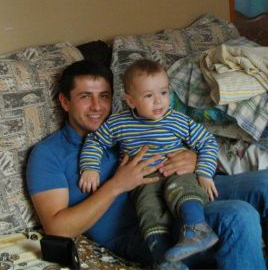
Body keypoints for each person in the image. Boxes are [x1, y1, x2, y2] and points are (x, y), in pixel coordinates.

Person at [26, 59, 268, 270]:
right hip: (144, 226)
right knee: (237, 216)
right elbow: (57, 227)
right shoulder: (48, 154)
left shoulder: (125, 125)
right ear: (65, 102)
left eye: (104, 96)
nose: (97, 107)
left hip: (181, 188)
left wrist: (193, 158)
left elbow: (188, 139)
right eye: (84, 97)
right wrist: (116, 186)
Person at [79, 59, 219, 269]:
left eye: (163, 92)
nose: (159, 101)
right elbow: (95, 141)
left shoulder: (178, 120)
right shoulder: (119, 122)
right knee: (147, 208)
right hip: (143, 180)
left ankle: (196, 229)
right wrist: (90, 167)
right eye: (148, 96)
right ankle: (164, 260)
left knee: (182, 187)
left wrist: (204, 172)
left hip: (175, 171)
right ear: (130, 100)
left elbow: (207, 141)